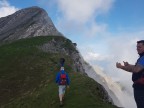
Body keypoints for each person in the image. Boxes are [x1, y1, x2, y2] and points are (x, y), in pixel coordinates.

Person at [116, 40, 144, 108]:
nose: (137, 48)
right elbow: (138, 67)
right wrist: (128, 65)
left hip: (141, 89)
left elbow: (136, 70)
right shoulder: (142, 57)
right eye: (137, 47)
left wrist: (121, 67)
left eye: (139, 47)